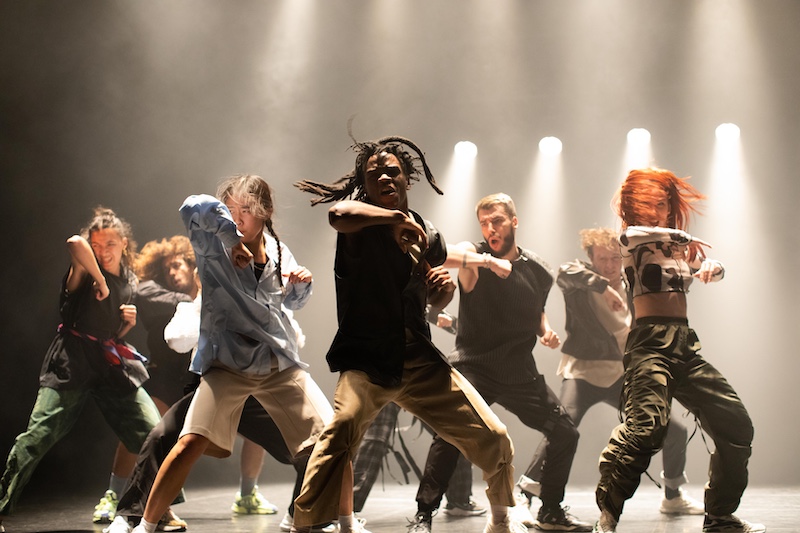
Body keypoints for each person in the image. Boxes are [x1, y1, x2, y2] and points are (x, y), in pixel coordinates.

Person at [293, 136, 522, 533]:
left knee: (494, 435)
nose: (384, 177)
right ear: (365, 184)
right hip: (367, 360)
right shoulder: (358, 224)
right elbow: (338, 213)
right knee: (341, 431)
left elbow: (437, 298)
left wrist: (442, 291)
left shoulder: (428, 232)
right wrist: (394, 221)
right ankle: (306, 524)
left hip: (418, 358)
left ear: (406, 179)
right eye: (374, 174)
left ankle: (501, 520)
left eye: (392, 171)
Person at [124, 175, 335, 533]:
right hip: (227, 368)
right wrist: (232, 239)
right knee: (177, 438)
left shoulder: (278, 250)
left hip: (272, 368)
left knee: (319, 444)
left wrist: (302, 285)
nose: (236, 218)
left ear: (265, 212)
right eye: (230, 210)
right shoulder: (214, 247)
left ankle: (311, 517)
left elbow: (288, 304)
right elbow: (192, 207)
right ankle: (136, 520)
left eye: (246, 211)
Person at [592, 168, 763, 533]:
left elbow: (714, 269)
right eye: (649, 205)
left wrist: (712, 267)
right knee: (646, 428)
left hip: (684, 344)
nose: (657, 212)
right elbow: (636, 234)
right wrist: (682, 238)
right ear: (633, 207)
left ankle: (720, 516)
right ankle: (607, 516)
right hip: (649, 345)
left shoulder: (679, 246)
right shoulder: (631, 240)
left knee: (736, 424)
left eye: (663, 204)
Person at [411, 193, 592, 533]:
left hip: (518, 371)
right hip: (474, 366)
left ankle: (550, 511)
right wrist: (488, 262)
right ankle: (424, 515)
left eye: (497, 221)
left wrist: (546, 331)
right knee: (450, 432)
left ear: (514, 221)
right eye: (484, 223)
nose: (490, 229)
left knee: (565, 432)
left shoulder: (538, 270)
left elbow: (536, 309)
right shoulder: (474, 255)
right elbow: (443, 255)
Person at [105, 297, 335, 533]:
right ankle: (130, 516)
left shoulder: (264, 298)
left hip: (256, 395)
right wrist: (214, 313)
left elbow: (295, 337)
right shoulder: (197, 305)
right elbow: (176, 339)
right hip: (217, 388)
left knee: (312, 447)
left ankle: (303, 514)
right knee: (162, 436)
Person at [521, 227, 703, 525]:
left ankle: (672, 496)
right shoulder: (580, 281)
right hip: (584, 372)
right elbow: (565, 272)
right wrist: (603, 287)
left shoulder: (634, 282)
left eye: (614, 259)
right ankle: (524, 495)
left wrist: (699, 268)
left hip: (622, 374)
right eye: (602, 259)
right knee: (563, 426)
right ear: (592, 258)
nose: (609, 265)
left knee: (674, 430)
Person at [0, 207, 161, 533]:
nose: (103, 251)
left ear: (124, 243)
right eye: (97, 245)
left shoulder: (129, 281)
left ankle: (155, 508)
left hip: (108, 362)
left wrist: (126, 327)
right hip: (71, 360)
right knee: (39, 435)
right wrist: (99, 280)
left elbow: (111, 332)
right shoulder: (84, 271)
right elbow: (75, 241)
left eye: (110, 244)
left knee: (152, 431)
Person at [92, 236, 199, 527]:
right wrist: (193, 302)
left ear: (193, 266)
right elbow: (142, 293)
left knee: (177, 443)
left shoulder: (208, 296)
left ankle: (159, 506)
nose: (172, 273)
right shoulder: (155, 292)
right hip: (163, 376)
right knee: (144, 431)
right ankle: (113, 495)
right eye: (167, 269)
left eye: (177, 266)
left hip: (195, 380)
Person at [350, 297, 479, 518]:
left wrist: (446, 319)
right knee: (450, 429)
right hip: (395, 368)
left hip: (399, 368)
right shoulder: (386, 293)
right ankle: (348, 506)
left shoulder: (406, 294)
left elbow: (433, 313)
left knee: (451, 430)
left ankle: (459, 499)